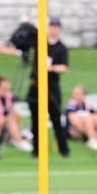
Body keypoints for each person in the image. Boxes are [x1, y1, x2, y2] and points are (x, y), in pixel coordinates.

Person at [27, 17, 70, 158]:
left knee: (57, 119)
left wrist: (50, 68)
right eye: (52, 26)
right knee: (36, 121)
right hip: (37, 86)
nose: (54, 29)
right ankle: (36, 151)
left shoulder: (61, 48)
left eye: (57, 27)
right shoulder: (41, 43)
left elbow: (64, 67)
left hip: (52, 87)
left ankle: (64, 150)